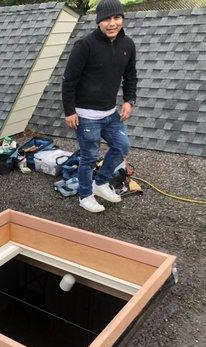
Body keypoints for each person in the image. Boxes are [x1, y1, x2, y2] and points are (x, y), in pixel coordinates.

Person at [62, 0, 137, 213]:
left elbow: (130, 76)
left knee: (121, 147)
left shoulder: (128, 45)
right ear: (99, 21)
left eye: (116, 18)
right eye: (107, 19)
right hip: (86, 116)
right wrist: (69, 111)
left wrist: (129, 100)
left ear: (122, 18)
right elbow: (69, 81)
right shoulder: (85, 45)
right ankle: (85, 195)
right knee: (89, 156)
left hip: (110, 113)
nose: (112, 23)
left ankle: (100, 183)